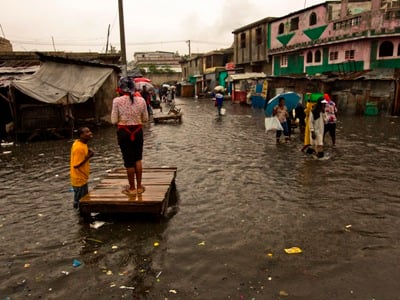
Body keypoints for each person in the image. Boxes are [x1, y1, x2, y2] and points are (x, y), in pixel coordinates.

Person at [111, 78, 149, 196]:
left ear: (121, 89)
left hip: (124, 133)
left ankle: (131, 188)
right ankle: (139, 187)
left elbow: (114, 120)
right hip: (137, 132)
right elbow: (146, 119)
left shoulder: (117, 101)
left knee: (129, 161)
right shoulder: (141, 100)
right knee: (137, 159)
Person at [70, 127, 94, 209]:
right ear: (81, 135)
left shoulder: (79, 143)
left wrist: (87, 152)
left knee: (79, 200)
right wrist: (88, 157)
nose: (90, 133)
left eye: (89, 131)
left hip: (81, 178)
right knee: (81, 202)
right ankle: (80, 218)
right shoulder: (78, 148)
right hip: (79, 179)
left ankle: (78, 217)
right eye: (86, 132)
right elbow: (76, 165)